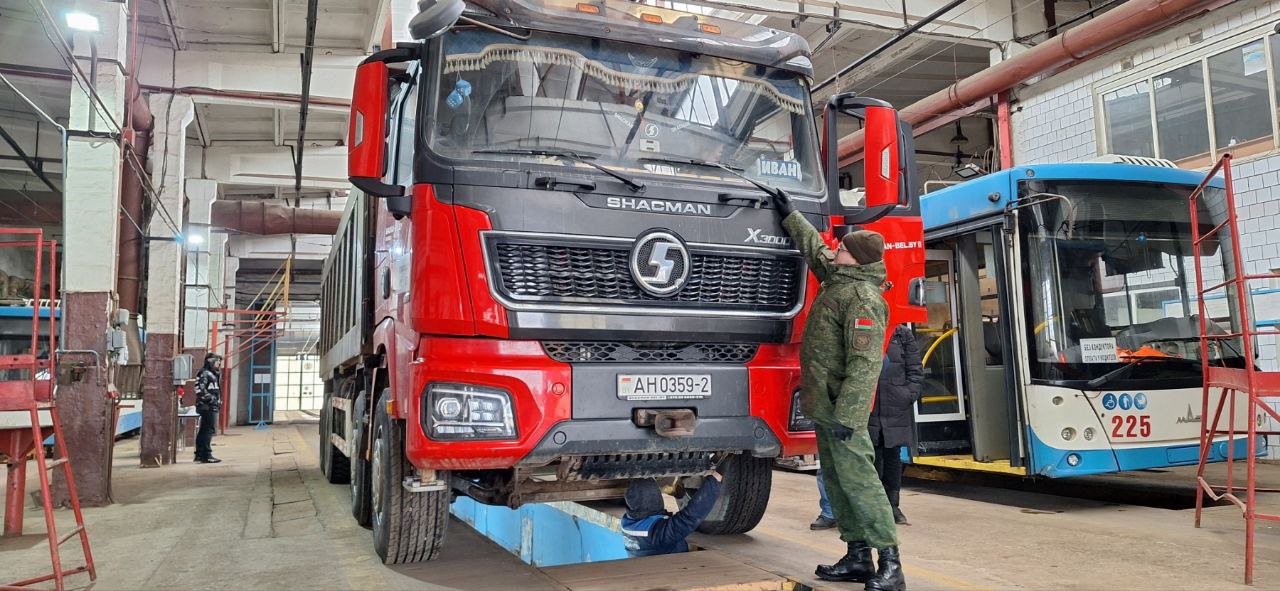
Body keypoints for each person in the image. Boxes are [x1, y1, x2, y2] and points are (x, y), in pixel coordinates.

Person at [774, 192, 905, 591]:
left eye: (842, 249)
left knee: (861, 483)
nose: (835, 251)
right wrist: (792, 215)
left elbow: (865, 365)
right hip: (826, 407)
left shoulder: (863, 299)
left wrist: (849, 415)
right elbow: (817, 251)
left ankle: (891, 565)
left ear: (856, 259)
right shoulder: (840, 279)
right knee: (837, 481)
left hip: (843, 412)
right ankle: (858, 555)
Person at [869, 325, 924, 525]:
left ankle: (893, 507)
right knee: (872, 458)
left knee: (893, 457)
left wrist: (907, 395)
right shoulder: (864, 327)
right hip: (870, 408)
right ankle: (875, 508)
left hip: (895, 408)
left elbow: (915, 371)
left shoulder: (902, 334)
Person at [621, 471, 722, 557]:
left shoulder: (630, 521)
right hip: (673, 569)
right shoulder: (655, 535)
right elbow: (689, 518)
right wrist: (713, 482)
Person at [194, 353, 223, 464]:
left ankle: (200, 454)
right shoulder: (204, 373)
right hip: (207, 406)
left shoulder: (213, 374)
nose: (219, 363)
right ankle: (206, 455)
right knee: (208, 430)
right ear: (211, 361)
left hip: (209, 405)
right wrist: (212, 399)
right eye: (217, 361)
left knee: (204, 430)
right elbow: (200, 390)